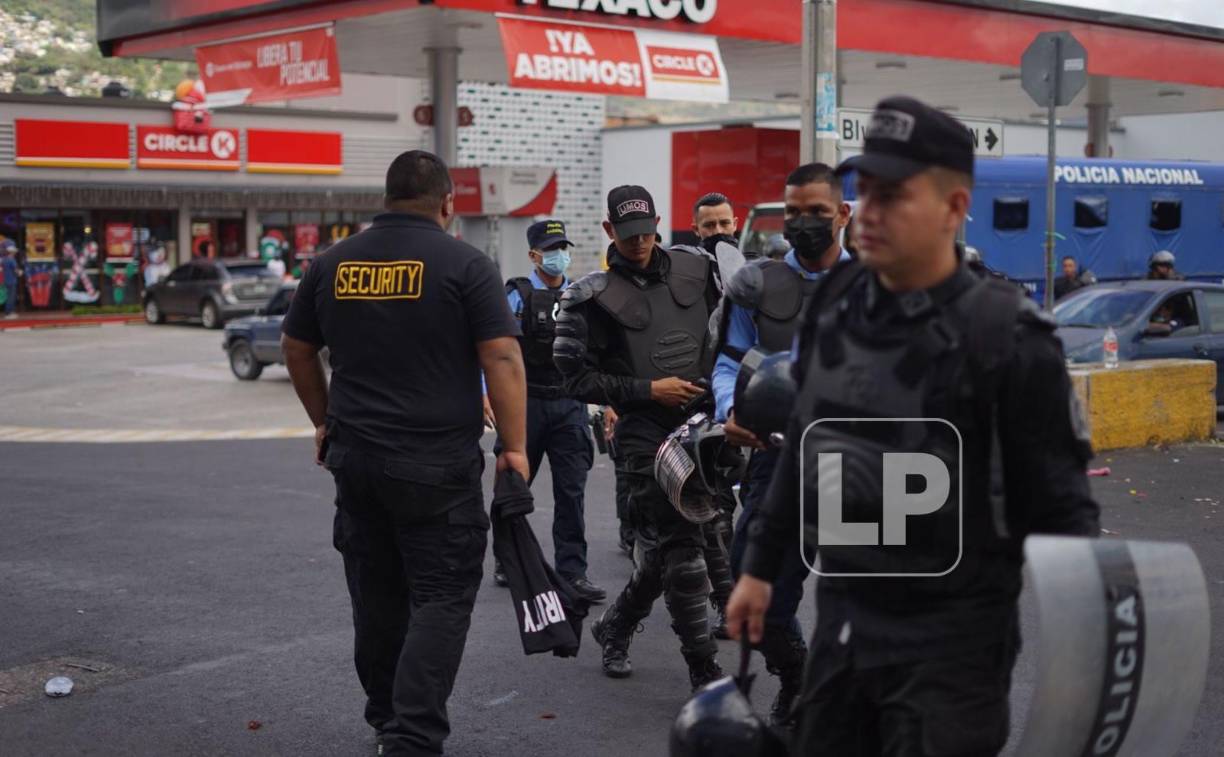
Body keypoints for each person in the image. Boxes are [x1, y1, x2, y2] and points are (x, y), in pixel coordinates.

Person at [726, 96, 1101, 756]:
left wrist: (1091, 674)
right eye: (863, 191)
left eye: (892, 195)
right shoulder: (836, 308)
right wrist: (758, 567)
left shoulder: (1009, 339)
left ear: (954, 209)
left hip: (951, 657)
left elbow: (1067, 519)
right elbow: (806, 449)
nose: (866, 212)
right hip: (844, 634)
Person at [281, 149, 528, 757]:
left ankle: (385, 712)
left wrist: (322, 422)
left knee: (377, 591)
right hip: (434, 468)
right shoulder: (466, 265)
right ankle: (413, 736)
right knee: (442, 595)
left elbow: (295, 347)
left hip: (355, 461)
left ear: (387, 199)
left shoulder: (331, 263)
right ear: (448, 203)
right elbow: (501, 357)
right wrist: (515, 448)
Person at [555, 185, 725, 692]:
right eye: (628, 235)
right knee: (685, 553)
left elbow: (732, 339)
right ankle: (704, 669)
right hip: (643, 432)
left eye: (648, 232)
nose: (640, 243)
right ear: (609, 230)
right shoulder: (589, 297)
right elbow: (574, 380)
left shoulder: (701, 271)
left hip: (706, 426)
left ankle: (617, 626)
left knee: (685, 550)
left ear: (658, 222)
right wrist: (647, 389)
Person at [712, 162, 851, 726]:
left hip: (861, 467)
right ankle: (797, 675)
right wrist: (730, 410)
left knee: (875, 610)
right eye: (793, 212)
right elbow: (727, 362)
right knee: (758, 601)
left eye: (817, 212)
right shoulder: (756, 284)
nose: (804, 223)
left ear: (843, 214)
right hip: (778, 461)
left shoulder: (879, 284)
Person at [484, 219, 606, 604]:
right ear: (534, 255)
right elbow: (494, 348)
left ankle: (573, 571)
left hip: (569, 402)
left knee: (572, 490)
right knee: (515, 484)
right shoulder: (517, 295)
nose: (559, 256)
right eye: (551, 249)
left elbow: (599, 354)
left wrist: (607, 403)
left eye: (562, 248)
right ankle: (508, 558)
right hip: (524, 404)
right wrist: (485, 392)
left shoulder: (580, 295)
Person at [1, 240, 19, 318]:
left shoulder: (4, 260)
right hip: (12, 280)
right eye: (14, 252)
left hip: (6, 280)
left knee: (8, 296)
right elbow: (16, 271)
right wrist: (20, 272)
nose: (15, 253)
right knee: (11, 297)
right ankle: (9, 313)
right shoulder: (12, 260)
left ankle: (9, 312)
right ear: (11, 252)